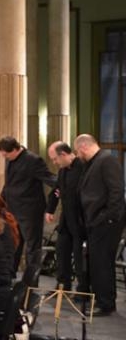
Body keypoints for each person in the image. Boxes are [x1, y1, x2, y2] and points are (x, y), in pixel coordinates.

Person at [74, 134, 126, 316]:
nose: (78, 156)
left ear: (83, 148)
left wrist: (105, 217)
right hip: (97, 221)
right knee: (98, 263)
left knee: (102, 263)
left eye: (78, 152)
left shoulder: (107, 161)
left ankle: (105, 304)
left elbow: (117, 192)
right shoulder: (94, 162)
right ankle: (103, 300)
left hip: (106, 222)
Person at [0, 136, 55, 287]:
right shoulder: (9, 159)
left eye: (6, 154)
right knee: (13, 245)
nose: (5, 158)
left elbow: (48, 177)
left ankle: (31, 283)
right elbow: (9, 183)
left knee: (32, 248)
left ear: (16, 149)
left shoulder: (33, 160)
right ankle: (9, 278)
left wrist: (64, 185)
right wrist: (1, 200)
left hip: (30, 211)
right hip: (12, 210)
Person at [46, 141, 88, 294]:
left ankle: (83, 290)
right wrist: (50, 210)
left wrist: (63, 194)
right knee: (61, 252)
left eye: (55, 159)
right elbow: (56, 190)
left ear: (63, 154)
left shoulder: (83, 168)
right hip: (66, 219)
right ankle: (63, 286)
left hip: (79, 220)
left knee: (79, 257)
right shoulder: (63, 170)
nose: (54, 163)